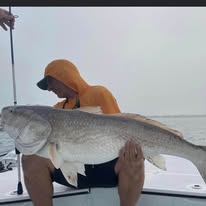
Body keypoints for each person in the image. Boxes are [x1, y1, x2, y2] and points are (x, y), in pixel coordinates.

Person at [22, 59, 145, 206]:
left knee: (132, 156)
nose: (49, 88)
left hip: (107, 168)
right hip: (74, 171)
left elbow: (119, 128)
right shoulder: (57, 109)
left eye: (49, 82)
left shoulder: (98, 93)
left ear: (62, 76)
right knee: (30, 158)